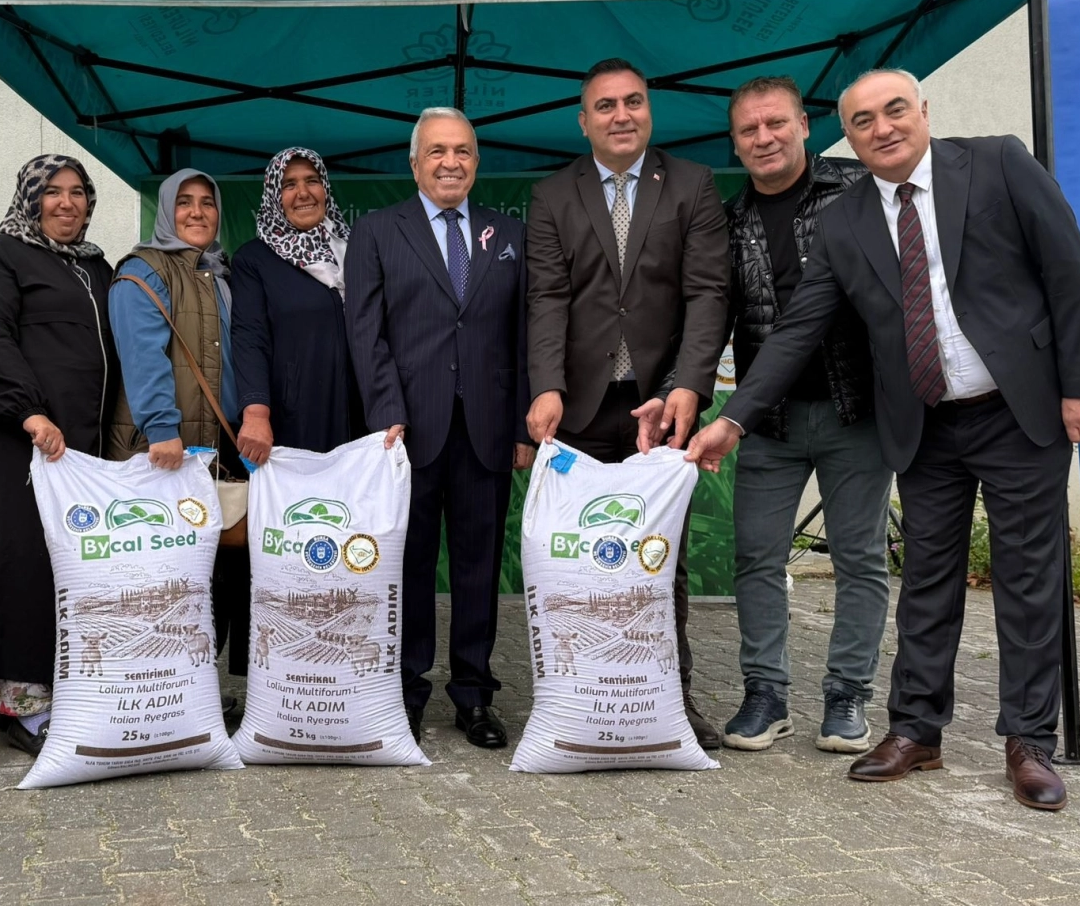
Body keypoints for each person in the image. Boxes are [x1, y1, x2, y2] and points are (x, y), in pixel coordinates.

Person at [684, 69, 1080, 811]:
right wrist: (733, 418)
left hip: (1018, 411)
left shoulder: (997, 162)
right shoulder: (846, 220)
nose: (881, 128)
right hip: (924, 421)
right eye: (863, 121)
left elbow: (1067, 267)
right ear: (846, 137)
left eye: (893, 111)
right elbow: (797, 329)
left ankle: (1028, 741)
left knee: (1027, 580)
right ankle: (917, 730)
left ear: (923, 111)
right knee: (927, 582)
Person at [525, 58, 730, 750]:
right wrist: (546, 385)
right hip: (578, 410)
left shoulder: (693, 185)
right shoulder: (552, 195)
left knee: (659, 559)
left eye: (633, 102)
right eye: (606, 106)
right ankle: (577, 696)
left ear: (649, 110)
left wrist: (686, 385)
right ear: (583, 121)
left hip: (660, 407)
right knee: (577, 561)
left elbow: (707, 293)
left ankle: (671, 700)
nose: (621, 115)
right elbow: (547, 297)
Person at [346, 107, 531, 748]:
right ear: (414, 162)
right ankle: (405, 693)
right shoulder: (376, 231)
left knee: (479, 567)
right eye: (437, 151)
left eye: (462, 151)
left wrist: (523, 425)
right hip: (407, 432)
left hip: (487, 428)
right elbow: (365, 332)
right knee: (410, 566)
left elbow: (523, 335)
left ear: (476, 161)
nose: (450, 162)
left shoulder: (510, 232)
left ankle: (474, 696)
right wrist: (385, 414)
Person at [718, 77, 892, 755]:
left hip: (858, 411)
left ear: (803, 125)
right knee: (755, 557)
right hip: (770, 420)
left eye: (775, 123)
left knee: (859, 558)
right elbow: (709, 318)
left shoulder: (858, 187)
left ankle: (847, 696)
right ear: (734, 143)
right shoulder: (729, 220)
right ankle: (765, 695)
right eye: (749, 129)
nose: (763, 138)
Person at [0, 154, 118, 756]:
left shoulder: (95, 266)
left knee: (77, 566)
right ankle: (21, 705)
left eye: (77, 192)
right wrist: (30, 412)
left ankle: (69, 690)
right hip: (28, 440)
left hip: (90, 447)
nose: (66, 203)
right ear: (30, 198)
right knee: (23, 564)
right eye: (52, 192)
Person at [108, 170, 249, 678]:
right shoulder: (144, 271)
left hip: (215, 447)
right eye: (184, 202)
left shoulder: (219, 272)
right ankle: (157, 690)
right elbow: (143, 356)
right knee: (164, 579)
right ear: (166, 211)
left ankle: (196, 689)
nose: (197, 212)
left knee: (213, 576)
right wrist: (162, 429)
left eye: (207, 203)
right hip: (164, 449)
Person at [232, 147, 366, 464]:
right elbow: (249, 338)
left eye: (312, 181)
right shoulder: (254, 260)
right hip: (296, 419)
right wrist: (255, 412)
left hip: (363, 419)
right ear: (274, 196)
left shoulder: (356, 249)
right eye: (289, 184)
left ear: (325, 188)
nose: (303, 193)